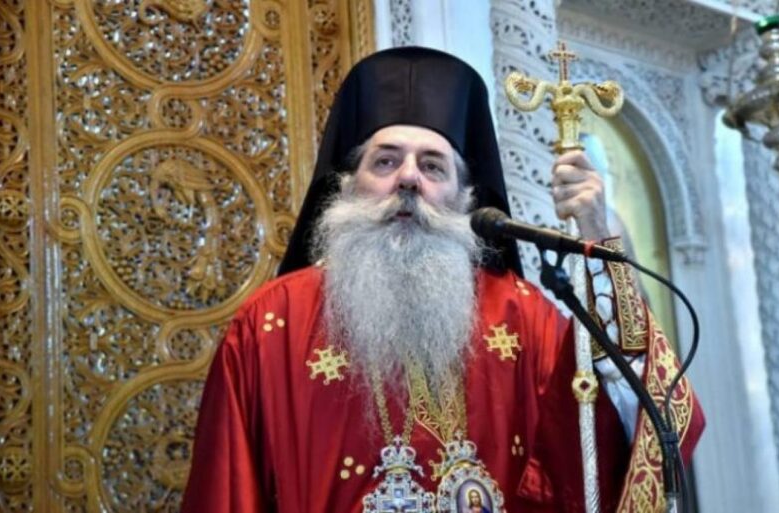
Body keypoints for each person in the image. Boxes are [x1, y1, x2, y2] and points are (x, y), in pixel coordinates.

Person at [181, 47, 704, 513]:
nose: (408, 178)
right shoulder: (270, 326)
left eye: (433, 167)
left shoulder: (521, 316)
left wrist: (597, 239)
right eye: (385, 161)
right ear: (348, 186)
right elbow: (226, 493)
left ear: (464, 198)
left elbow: (620, 433)